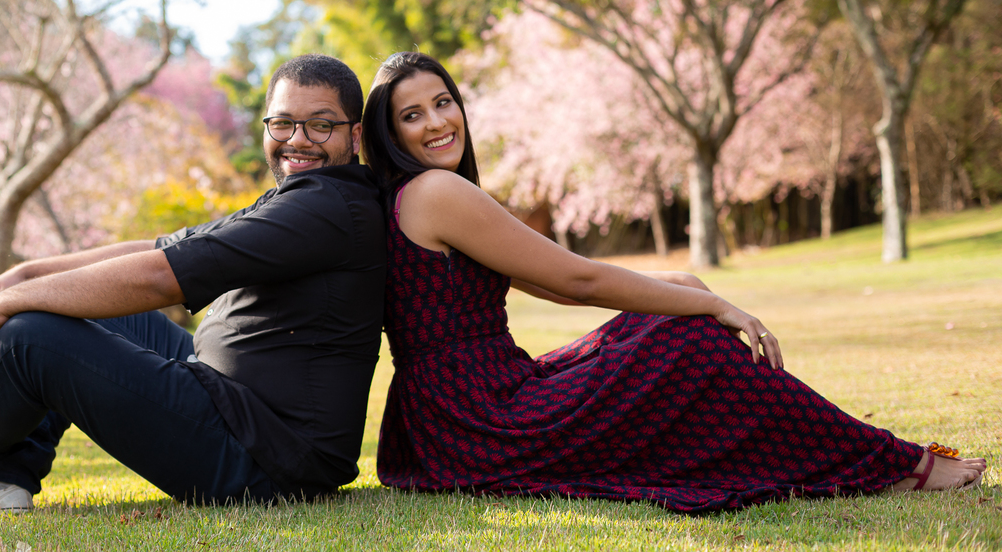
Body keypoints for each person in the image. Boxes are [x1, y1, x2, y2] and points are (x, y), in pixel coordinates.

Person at [360, 51, 986, 513]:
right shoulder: (437, 191)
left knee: (679, 316)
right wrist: (711, 303)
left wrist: (683, 286)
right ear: (392, 136)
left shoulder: (424, 194)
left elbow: (548, 284)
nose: (436, 121)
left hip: (459, 409)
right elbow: (577, 279)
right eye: (412, 114)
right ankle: (890, 463)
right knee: (687, 340)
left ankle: (870, 458)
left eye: (444, 102)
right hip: (477, 418)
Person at [0, 54, 386, 519]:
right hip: (235, 406)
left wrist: (13, 299)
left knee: (32, 335)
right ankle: (2, 481)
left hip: (265, 461)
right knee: (87, 309)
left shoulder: (327, 207)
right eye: (282, 123)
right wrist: (30, 272)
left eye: (321, 124)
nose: (298, 140)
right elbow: (162, 246)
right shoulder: (304, 199)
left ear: (354, 134)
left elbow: (158, 276)